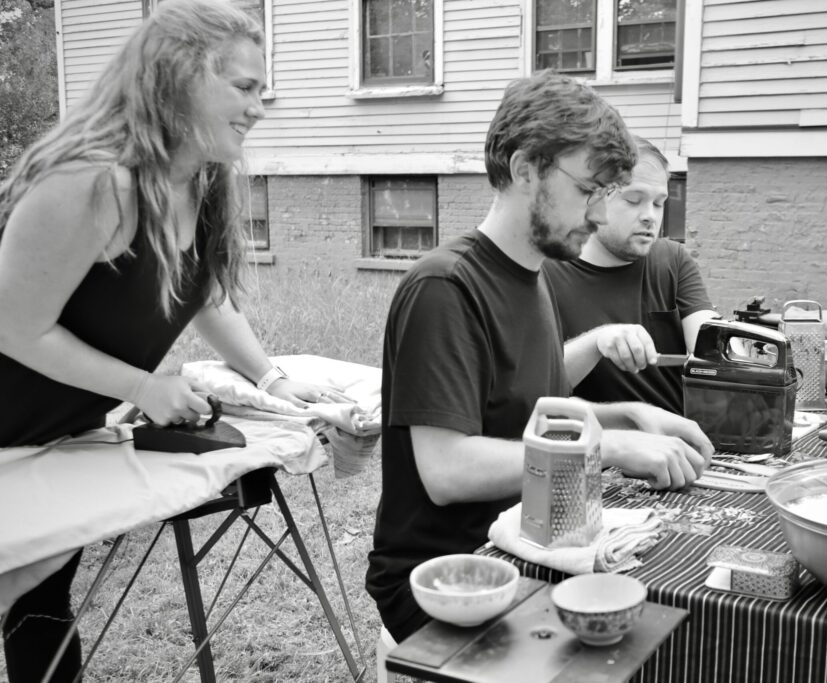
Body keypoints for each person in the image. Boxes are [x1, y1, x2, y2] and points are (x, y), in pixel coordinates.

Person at [0, 1, 342, 679]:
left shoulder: (204, 177)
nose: (259, 106)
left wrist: (271, 380)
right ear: (180, 79)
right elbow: (14, 326)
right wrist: (142, 387)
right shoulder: (94, 180)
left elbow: (205, 296)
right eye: (243, 87)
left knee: (41, 589)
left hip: (61, 428)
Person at [365, 72, 715, 647]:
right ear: (525, 168)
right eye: (588, 191)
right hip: (450, 581)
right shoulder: (445, 287)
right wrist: (609, 449)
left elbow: (534, 414)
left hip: (528, 544)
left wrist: (632, 418)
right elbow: (446, 469)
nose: (601, 217)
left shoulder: (536, 278)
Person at [544, 137, 719, 414]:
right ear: (594, 198)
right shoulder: (546, 275)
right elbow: (535, 387)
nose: (650, 216)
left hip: (679, 444)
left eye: (659, 204)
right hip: (598, 447)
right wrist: (597, 342)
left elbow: (710, 344)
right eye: (634, 200)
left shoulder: (673, 260)